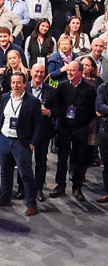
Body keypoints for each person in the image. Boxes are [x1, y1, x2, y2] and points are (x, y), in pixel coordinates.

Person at [0, 72, 44, 216]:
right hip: (4, 140)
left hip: (22, 143)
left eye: (19, 83)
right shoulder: (4, 97)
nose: (15, 85)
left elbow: (39, 125)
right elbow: (0, 116)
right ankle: (5, 198)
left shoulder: (33, 101)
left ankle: (32, 204)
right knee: (4, 172)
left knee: (25, 174)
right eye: (13, 82)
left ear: (25, 84)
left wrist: (33, 143)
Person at [48, 60, 97, 201]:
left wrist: (82, 123)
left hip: (81, 129)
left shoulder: (89, 89)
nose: (69, 73)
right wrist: (63, 118)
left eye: (72, 70)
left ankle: (77, 187)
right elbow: (56, 106)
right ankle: (60, 186)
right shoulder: (62, 87)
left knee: (79, 159)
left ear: (80, 72)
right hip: (64, 128)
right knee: (62, 159)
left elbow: (92, 111)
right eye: (68, 70)